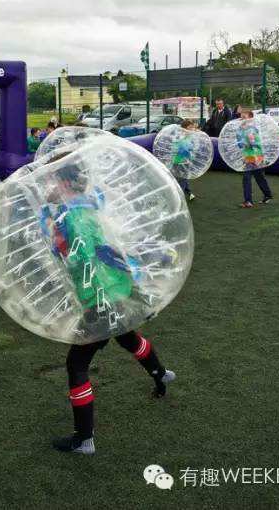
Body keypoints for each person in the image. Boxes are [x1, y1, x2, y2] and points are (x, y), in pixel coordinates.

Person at [42, 153, 175, 455]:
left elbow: (81, 255)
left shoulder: (71, 217)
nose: (47, 186)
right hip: (116, 291)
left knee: (76, 365)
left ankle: (84, 439)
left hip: (99, 297)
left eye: (51, 179)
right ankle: (160, 375)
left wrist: (55, 236)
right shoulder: (85, 208)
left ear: (63, 182)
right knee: (127, 336)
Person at [238, 110, 273, 208]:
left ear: (250, 118)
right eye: (241, 117)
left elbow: (253, 144)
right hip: (250, 156)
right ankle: (267, 195)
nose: (242, 119)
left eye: (244, 117)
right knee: (259, 177)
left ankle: (248, 201)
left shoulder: (251, 130)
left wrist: (256, 158)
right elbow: (240, 144)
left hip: (253, 157)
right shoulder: (242, 130)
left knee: (247, 178)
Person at [173, 119, 198, 201]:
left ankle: (189, 193)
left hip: (184, 160)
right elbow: (183, 149)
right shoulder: (180, 136)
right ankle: (180, 198)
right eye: (190, 127)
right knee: (182, 178)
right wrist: (191, 150)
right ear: (185, 128)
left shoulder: (188, 136)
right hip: (180, 160)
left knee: (184, 177)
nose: (192, 129)